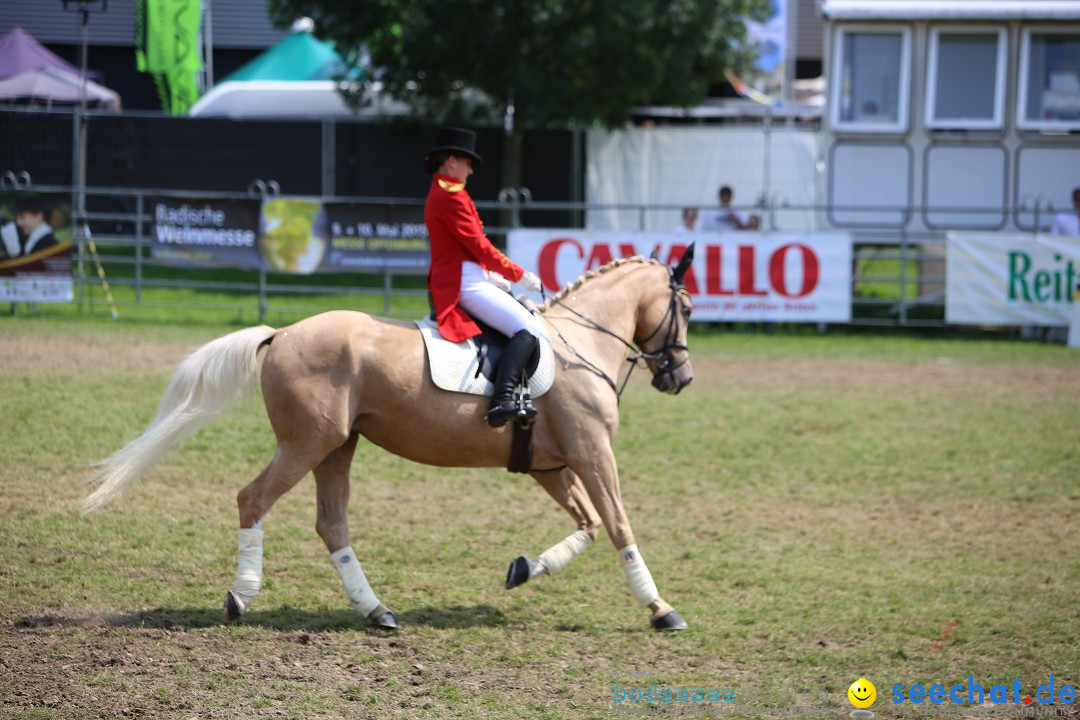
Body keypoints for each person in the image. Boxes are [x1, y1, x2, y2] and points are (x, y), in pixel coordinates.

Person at [423, 126, 544, 428]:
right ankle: (502, 398)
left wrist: (490, 275)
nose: (471, 171)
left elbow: (466, 247)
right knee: (526, 327)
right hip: (463, 283)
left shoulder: (446, 191)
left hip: (470, 275)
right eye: (468, 163)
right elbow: (480, 245)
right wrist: (519, 275)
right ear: (452, 161)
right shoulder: (451, 195)